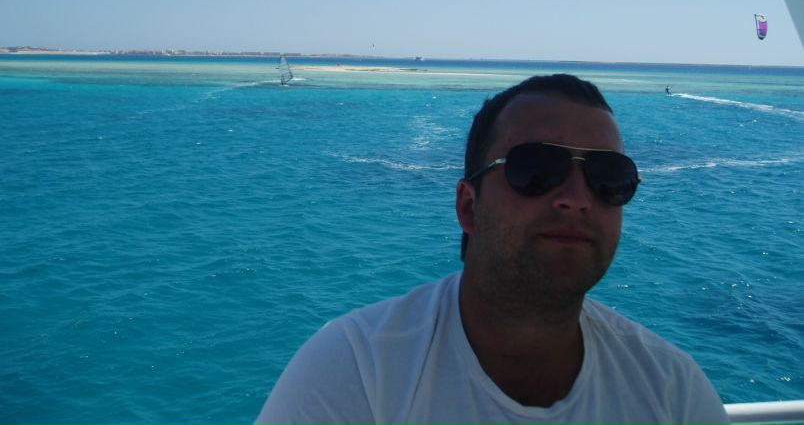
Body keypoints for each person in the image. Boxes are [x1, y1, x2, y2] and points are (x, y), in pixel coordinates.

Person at [255, 74, 728, 424]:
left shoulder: (674, 394)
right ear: (469, 207)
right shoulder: (354, 372)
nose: (577, 198)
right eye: (537, 168)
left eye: (609, 177)